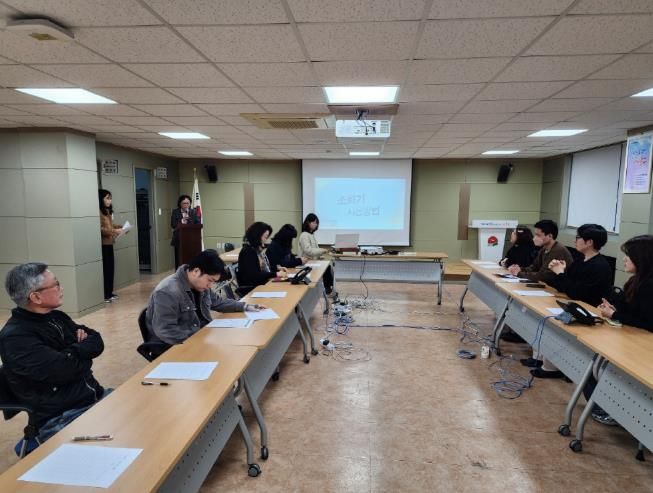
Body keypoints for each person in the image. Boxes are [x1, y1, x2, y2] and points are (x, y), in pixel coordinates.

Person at [0, 263, 108, 447]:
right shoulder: (16, 337)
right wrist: (80, 352)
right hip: (62, 416)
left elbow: (97, 341)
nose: (61, 288)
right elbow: (63, 371)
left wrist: (71, 353)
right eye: (56, 284)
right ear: (36, 297)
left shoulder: (56, 317)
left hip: (94, 396)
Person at [583, 235, 653, 426]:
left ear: (642, 258)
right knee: (593, 365)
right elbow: (631, 312)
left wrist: (615, 314)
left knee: (601, 370)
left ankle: (611, 410)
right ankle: (606, 408)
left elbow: (647, 322)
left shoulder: (649, 285)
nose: (624, 259)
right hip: (632, 340)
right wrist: (613, 309)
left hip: (643, 348)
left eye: (629, 255)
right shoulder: (636, 281)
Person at [528, 224, 613, 379]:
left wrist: (561, 274)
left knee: (554, 324)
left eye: (578, 237)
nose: (575, 241)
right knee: (544, 317)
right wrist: (558, 271)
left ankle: (553, 367)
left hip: (587, 312)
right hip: (573, 306)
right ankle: (541, 359)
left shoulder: (600, 266)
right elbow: (564, 286)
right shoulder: (580, 260)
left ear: (589, 242)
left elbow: (576, 293)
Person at [146, 250, 264, 345]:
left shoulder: (200, 286)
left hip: (203, 337)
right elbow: (165, 330)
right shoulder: (167, 292)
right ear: (196, 271)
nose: (210, 286)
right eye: (210, 280)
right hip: (179, 345)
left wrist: (246, 306)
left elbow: (219, 302)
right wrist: (199, 339)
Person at [507, 219, 573, 284]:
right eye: (535, 234)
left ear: (550, 236)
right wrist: (520, 269)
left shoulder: (558, 250)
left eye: (538, 235)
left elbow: (543, 276)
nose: (534, 238)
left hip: (555, 287)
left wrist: (519, 273)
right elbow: (534, 267)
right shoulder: (544, 249)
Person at [237, 222, 287, 295]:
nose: (265, 240)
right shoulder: (248, 252)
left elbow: (262, 269)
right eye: (265, 237)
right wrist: (275, 274)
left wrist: (277, 268)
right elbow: (255, 276)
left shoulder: (255, 249)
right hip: (253, 289)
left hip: (259, 285)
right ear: (257, 236)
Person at [298, 213, 337, 299]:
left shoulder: (311, 235)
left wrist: (320, 255)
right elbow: (308, 251)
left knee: (328, 266)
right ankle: (328, 289)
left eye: (316, 223)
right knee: (326, 268)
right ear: (308, 222)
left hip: (312, 262)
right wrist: (322, 250)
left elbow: (314, 250)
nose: (315, 224)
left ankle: (330, 289)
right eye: (313, 222)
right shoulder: (304, 235)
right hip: (306, 263)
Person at [99, 189, 123, 303]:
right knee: (106, 269)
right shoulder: (98, 212)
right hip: (103, 244)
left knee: (111, 269)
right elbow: (101, 229)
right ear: (101, 199)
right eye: (107, 198)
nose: (110, 201)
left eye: (110, 198)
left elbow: (111, 225)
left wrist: (122, 227)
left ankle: (109, 292)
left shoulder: (107, 212)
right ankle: (105, 294)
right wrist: (114, 231)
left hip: (110, 243)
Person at [171, 194, 200, 269]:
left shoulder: (193, 212)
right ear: (180, 204)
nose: (186, 205)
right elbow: (173, 224)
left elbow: (198, 223)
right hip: (179, 240)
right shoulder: (175, 212)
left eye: (188, 203)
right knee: (179, 260)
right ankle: (179, 273)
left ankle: (190, 272)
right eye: (184, 203)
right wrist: (182, 221)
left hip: (191, 240)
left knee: (191, 259)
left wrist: (189, 219)